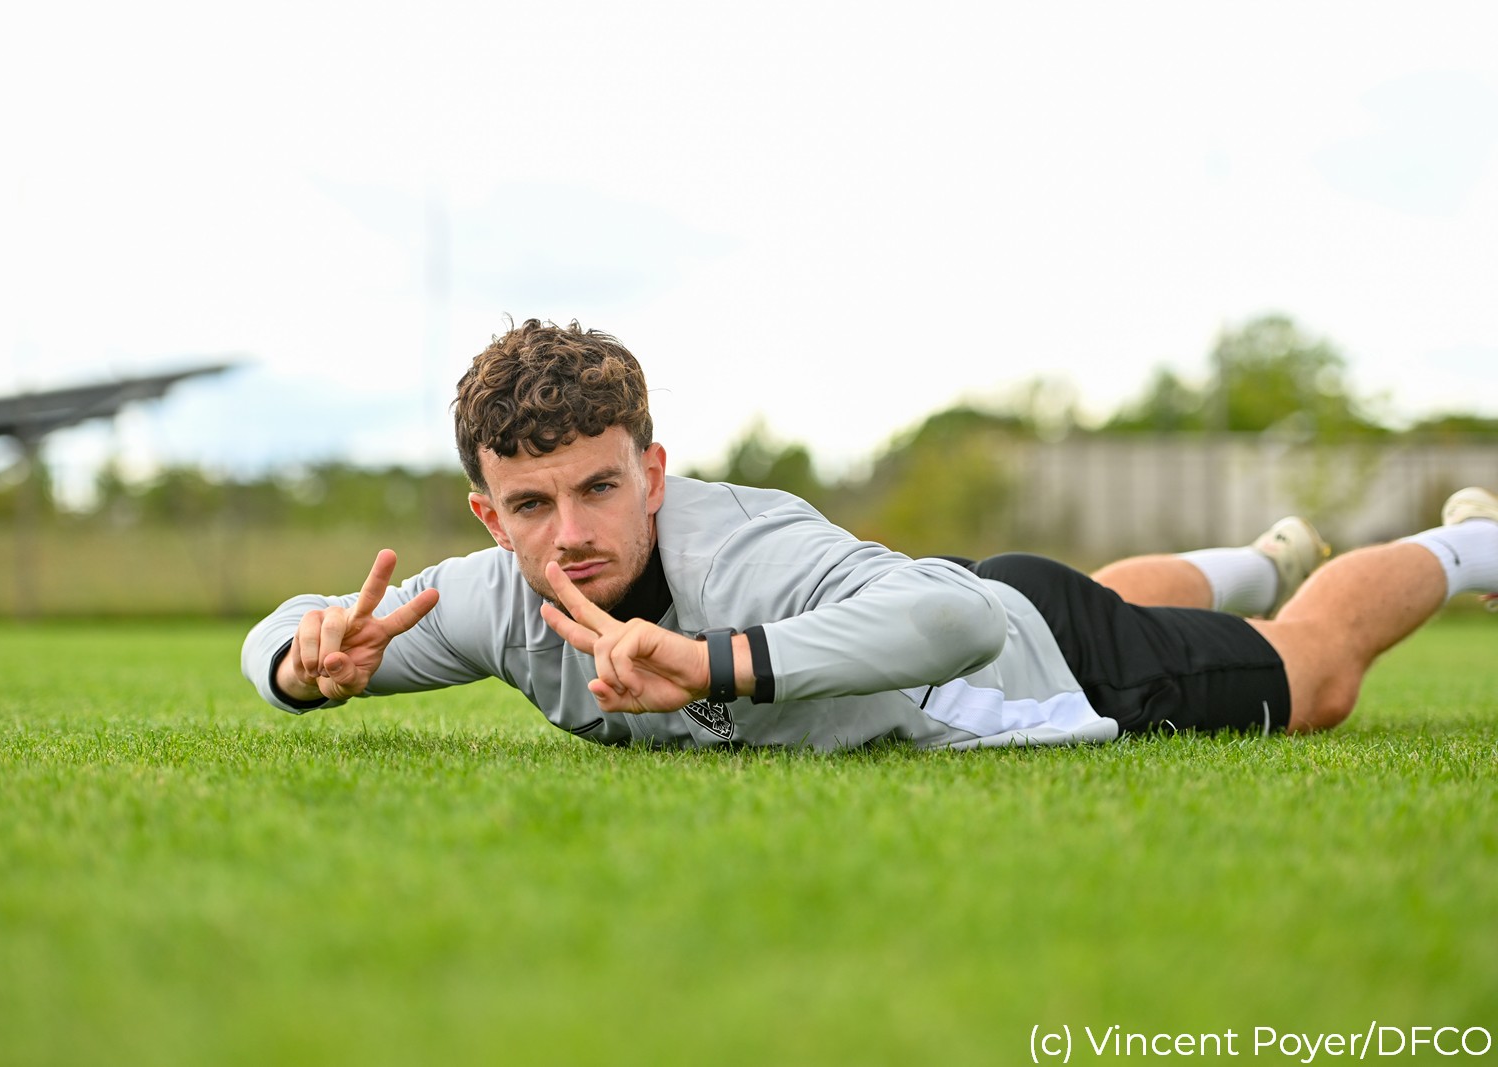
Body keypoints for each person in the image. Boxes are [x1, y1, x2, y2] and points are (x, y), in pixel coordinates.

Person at [241, 319, 1498, 750]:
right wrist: (305, 661)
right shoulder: (494, 596)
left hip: (1036, 665)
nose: (568, 534)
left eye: (598, 490)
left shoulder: (747, 552)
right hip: (1004, 598)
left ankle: (1474, 542)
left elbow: (951, 618)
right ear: (488, 511)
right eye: (530, 504)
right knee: (1091, 587)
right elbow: (278, 638)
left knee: (1315, 674)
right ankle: (1263, 556)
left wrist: (714, 662)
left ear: (652, 472)